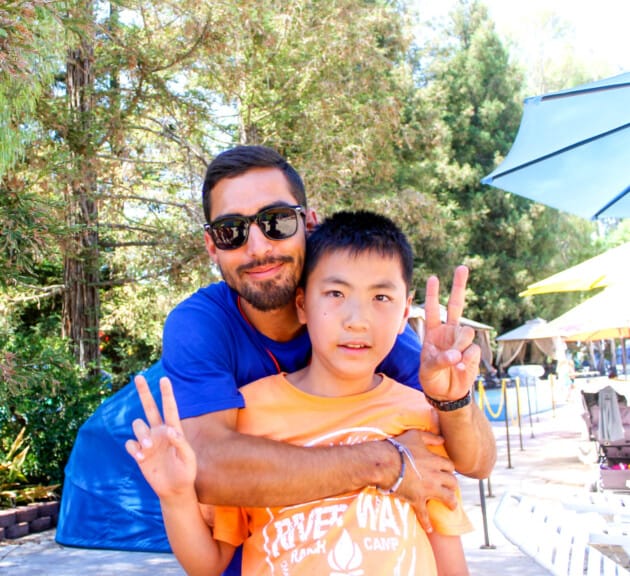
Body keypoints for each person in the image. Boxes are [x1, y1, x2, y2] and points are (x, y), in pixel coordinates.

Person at [56, 146, 495, 574]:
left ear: (310, 223)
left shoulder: (363, 332)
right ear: (212, 245)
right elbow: (208, 469)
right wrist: (387, 462)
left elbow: (474, 461)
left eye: (277, 221)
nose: (258, 247)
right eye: (232, 230)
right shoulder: (201, 326)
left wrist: (453, 402)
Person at [126, 210, 473, 576]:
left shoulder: (419, 414)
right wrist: (176, 497)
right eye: (335, 293)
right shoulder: (250, 416)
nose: (357, 319)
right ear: (303, 304)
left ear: (405, 313)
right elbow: (209, 565)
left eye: (381, 298)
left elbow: (448, 553)